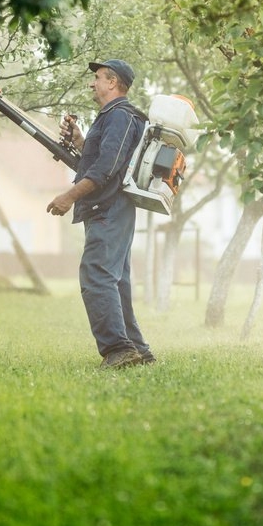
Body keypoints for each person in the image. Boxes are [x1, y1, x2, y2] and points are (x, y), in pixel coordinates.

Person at [46, 59, 155, 369]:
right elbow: (102, 157)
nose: (92, 83)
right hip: (110, 207)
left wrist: (68, 196)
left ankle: (118, 349)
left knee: (96, 275)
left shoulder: (120, 115)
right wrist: (81, 140)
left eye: (97, 78)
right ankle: (138, 350)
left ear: (112, 82)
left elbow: (106, 168)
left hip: (109, 207)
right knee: (115, 280)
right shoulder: (109, 118)